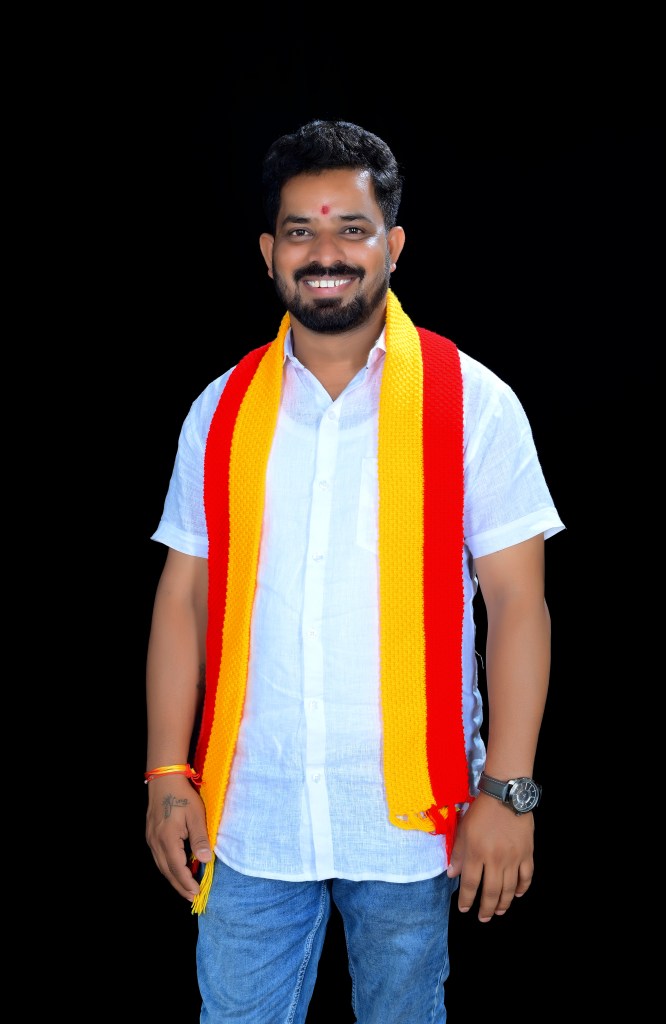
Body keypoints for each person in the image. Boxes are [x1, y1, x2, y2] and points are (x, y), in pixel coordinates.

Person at [145, 118, 566, 1023]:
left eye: (352, 229)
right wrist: (165, 770)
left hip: (413, 827)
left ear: (394, 245)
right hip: (249, 816)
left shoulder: (472, 403)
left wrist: (511, 792)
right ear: (270, 253)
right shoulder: (220, 411)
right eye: (301, 231)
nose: (325, 253)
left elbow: (517, 604)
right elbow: (184, 596)